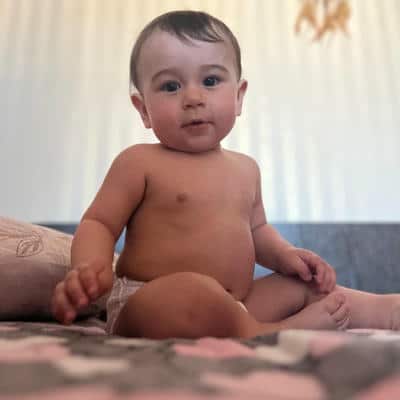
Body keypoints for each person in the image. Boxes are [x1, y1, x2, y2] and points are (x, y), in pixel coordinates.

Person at [52, 10, 400, 338]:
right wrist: (89, 267)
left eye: (210, 80)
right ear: (143, 109)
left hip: (238, 304)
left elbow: (257, 231)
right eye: (171, 86)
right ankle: (267, 333)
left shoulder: (246, 169)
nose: (193, 97)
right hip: (153, 302)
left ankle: (385, 311)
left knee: (307, 286)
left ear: (238, 96)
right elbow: (99, 222)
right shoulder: (139, 162)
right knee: (190, 291)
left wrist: (285, 255)